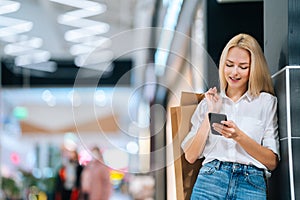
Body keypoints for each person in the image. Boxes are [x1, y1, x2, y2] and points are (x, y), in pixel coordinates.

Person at [181, 33, 280, 199]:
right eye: (229, 65)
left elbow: (271, 161)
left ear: (254, 69)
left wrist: (238, 136)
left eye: (243, 67)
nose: (234, 72)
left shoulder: (266, 102)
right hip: (211, 180)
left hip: (250, 184)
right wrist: (210, 114)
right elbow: (190, 156)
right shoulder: (208, 103)